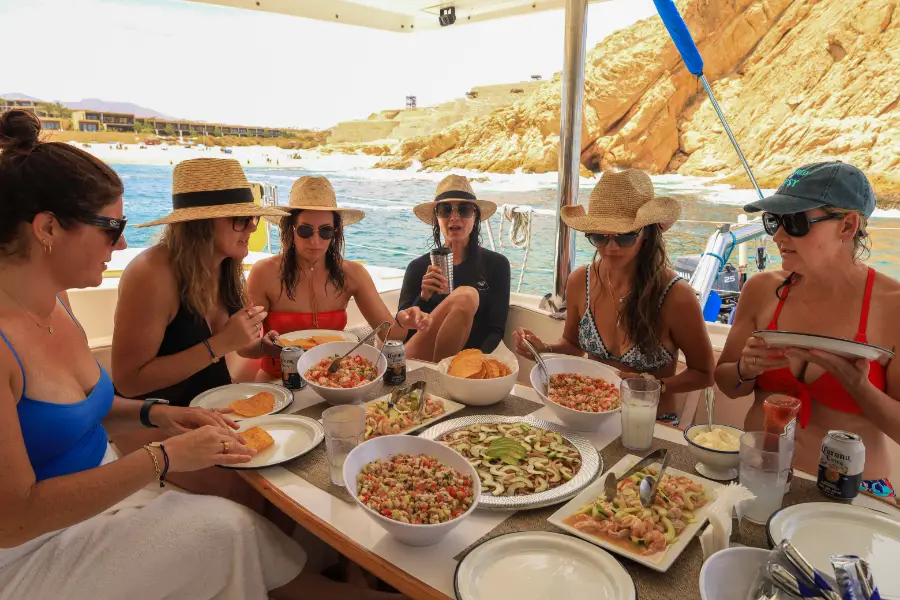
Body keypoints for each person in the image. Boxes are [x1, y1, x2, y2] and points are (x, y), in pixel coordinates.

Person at [0, 110, 400, 600]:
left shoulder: (58, 303)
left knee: (292, 476)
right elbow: (14, 517)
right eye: (111, 226)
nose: (122, 242)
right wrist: (164, 449)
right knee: (237, 518)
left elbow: (94, 408)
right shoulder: (148, 274)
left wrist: (166, 414)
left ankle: (345, 575)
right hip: (34, 545)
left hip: (181, 422)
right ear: (46, 229)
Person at [715, 162, 899, 498]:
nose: (778, 236)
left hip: (854, 493)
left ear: (848, 225)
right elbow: (728, 383)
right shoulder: (760, 290)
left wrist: (859, 387)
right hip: (758, 476)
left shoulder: (893, 307)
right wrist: (746, 368)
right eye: (775, 221)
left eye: (796, 222)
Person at [110, 157, 287, 506]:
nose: (252, 227)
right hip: (156, 421)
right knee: (258, 496)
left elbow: (235, 344)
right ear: (202, 223)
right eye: (242, 219)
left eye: (252, 218)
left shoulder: (224, 265)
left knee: (287, 472)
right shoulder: (151, 274)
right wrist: (220, 344)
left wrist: (262, 347)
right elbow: (129, 381)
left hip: (212, 411)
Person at [513, 169, 715, 425]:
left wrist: (653, 384)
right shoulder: (579, 281)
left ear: (648, 233)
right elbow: (572, 345)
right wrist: (543, 349)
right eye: (598, 236)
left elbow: (705, 373)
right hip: (588, 414)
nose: (610, 247)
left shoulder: (676, 295)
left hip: (651, 423)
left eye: (624, 236)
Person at [244, 176, 430, 378]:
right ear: (290, 229)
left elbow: (389, 334)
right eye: (305, 230)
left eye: (325, 231)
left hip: (334, 379)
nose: (315, 241)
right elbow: (245, 348)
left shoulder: (353, 274)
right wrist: (264, 346)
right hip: (278, 379)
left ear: (336, 232)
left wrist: (402, 322)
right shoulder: (264, 273)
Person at [398, 175, 511, 362]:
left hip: (468, 362)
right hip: (417, 359)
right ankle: (443, 377)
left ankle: (444, 376)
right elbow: (404, 333)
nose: (454, 217)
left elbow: (495, 330)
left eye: (465, 210)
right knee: (466, 296)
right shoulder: (418, 268)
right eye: (445, 210)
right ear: (437, 219)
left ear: (475, 217)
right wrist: (424, 298)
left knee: (466, 296)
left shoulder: (496, 265)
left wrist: (473, 363)